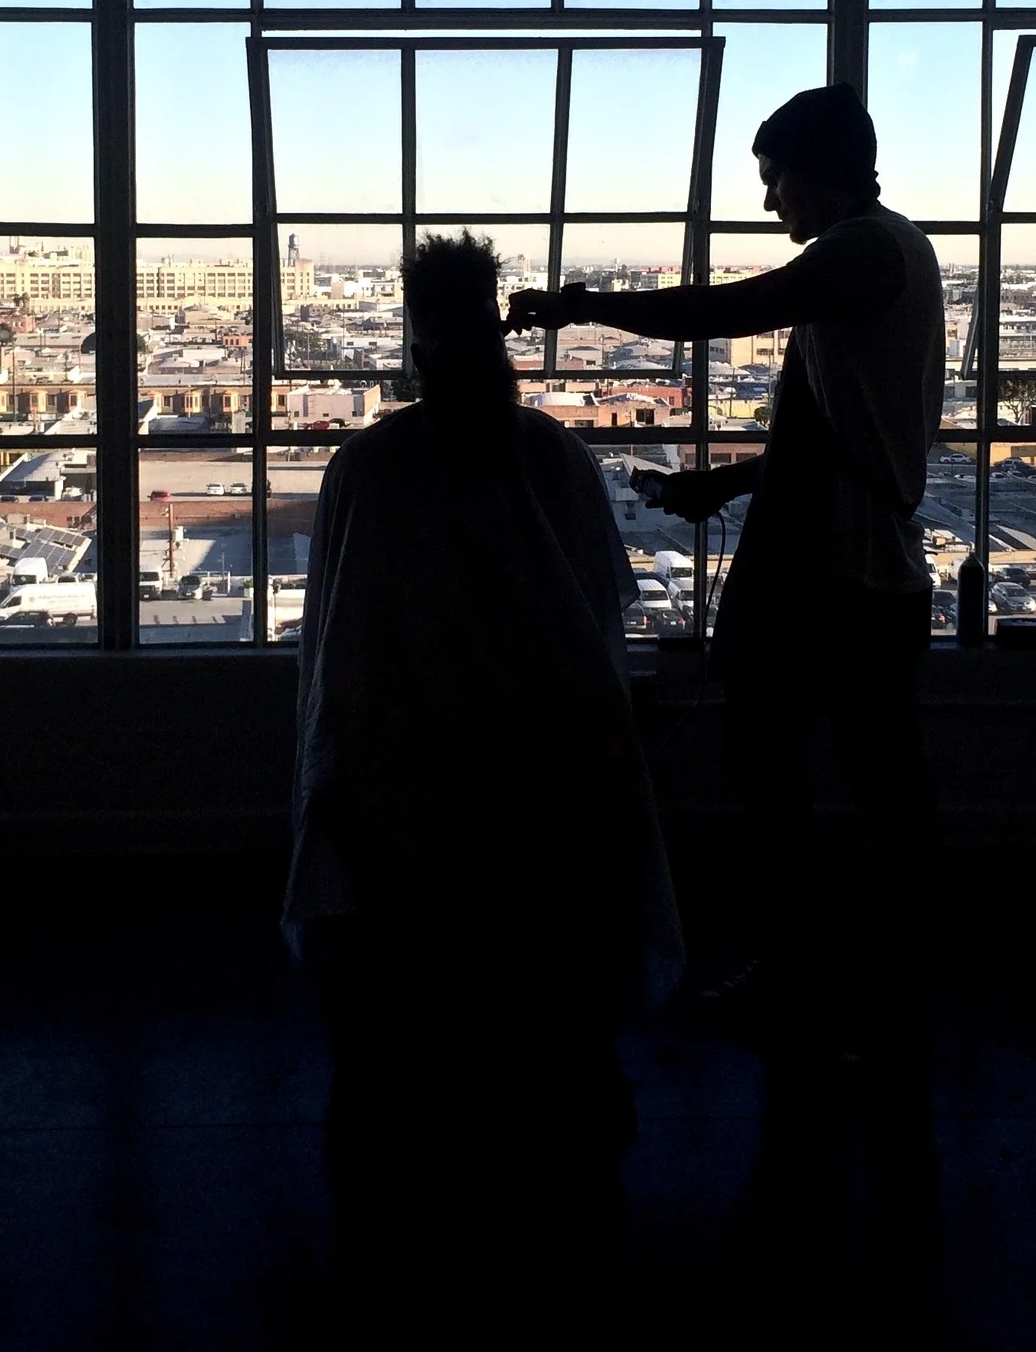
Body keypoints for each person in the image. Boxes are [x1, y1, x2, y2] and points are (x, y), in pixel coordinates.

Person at [508, 82, 945, 1033]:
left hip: (833, 570)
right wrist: (728, 484)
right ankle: (891, 987)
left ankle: (812, 967)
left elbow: (726, 309)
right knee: (872, 777)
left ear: (817, 173)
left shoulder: (859, 252)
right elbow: (842, 438)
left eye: (776, 176)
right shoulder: (893, 249)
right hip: (860, 564)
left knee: (775, 764)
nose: (768, 198)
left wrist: (581, 306)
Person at [284, 233, 683, 1198]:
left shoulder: (368, 469)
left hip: (399, 800)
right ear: (499, 333)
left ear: (415, 344)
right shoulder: (555, 457)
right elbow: (600, 613)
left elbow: (337, 645)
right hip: (545, 800)